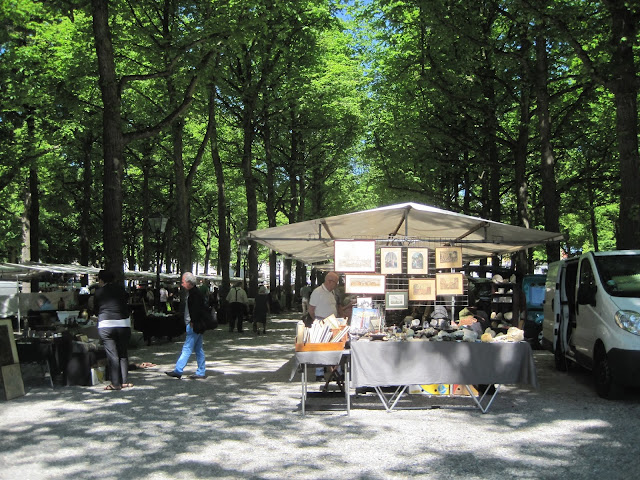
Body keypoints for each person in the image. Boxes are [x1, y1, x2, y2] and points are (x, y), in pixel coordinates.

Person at [166, 272, 208, 379]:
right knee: (198, 349)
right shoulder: (196, 293)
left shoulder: (194, 294)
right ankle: (201, 371)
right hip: (198, 325)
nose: (182, 284)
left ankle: (178, 370)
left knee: (187, 348)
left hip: (194, 325)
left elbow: (196, 310)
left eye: (183, 282)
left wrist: (193, 321)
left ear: (189, 283)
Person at [94, 269, 132, 391]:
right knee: (123, 353)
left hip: (106, 324)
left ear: (101, 280)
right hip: (123, 323)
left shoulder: (98, 292)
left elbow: (95, 310)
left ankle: (115, 383)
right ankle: (124, 381)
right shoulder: (121, 289)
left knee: (112, 355)